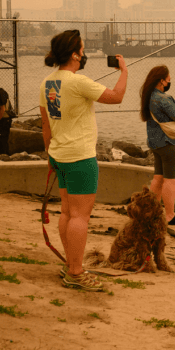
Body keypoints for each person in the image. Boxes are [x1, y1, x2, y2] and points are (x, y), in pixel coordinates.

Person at [39, 29, 128, 292]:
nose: (85, 53)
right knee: (80, 217)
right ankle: (76, 272)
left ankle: (71, 264)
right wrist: (124, 71)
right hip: (80, 157)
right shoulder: (78, 82)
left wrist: (49, 155)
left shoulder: (47, 83)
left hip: (59, 155)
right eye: (83, 48)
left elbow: (46, 124)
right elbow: (116, 97)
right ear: (75, 54)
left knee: (67, 212)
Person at [140, 65, 175, 225]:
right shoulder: (163, 98)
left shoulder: (149, 96)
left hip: (155, 143)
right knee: (170, 181)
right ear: (162, 81)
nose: (170, 81)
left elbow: (172, 113)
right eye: (168, 79)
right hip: (168, 143)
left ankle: (151, 212)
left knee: (158, 178)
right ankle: (169, 216)